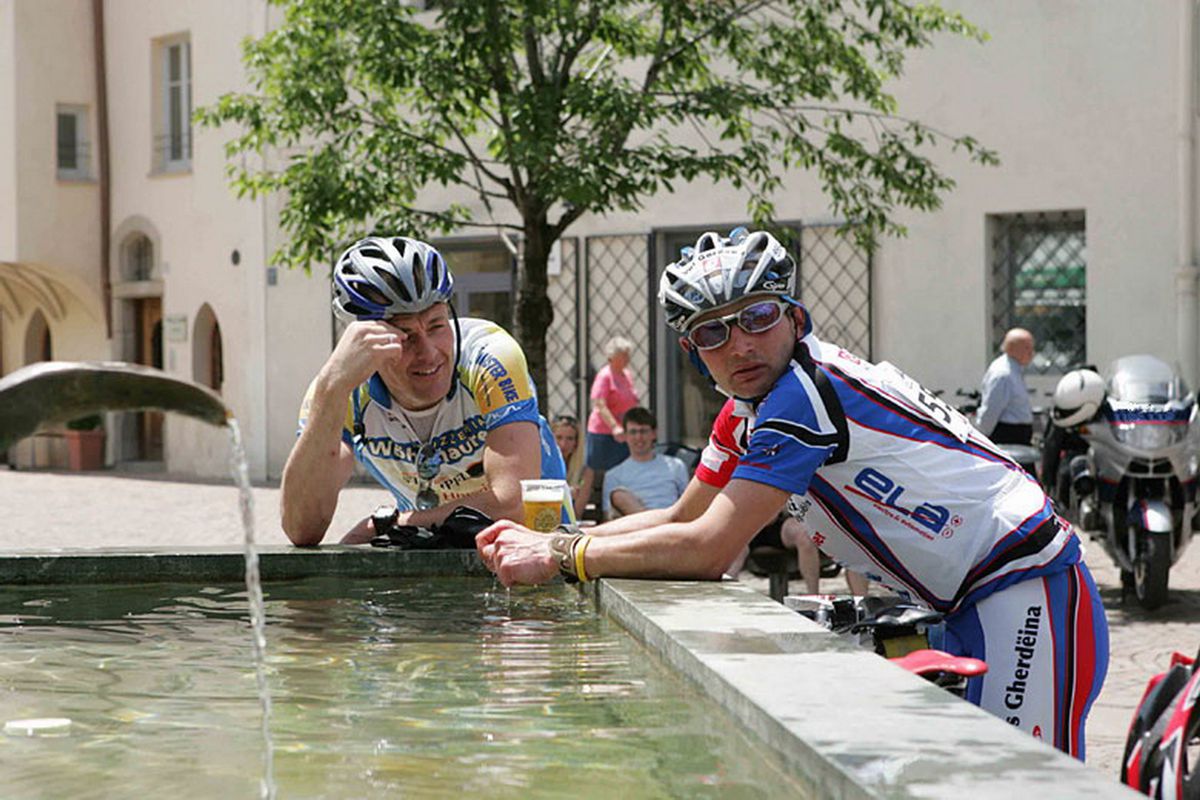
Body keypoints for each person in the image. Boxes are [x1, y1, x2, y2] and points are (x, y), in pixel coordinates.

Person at [478, 228, 1108, 760]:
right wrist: (550, 539)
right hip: (965, 597)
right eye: (713, 333)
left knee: (1019, 785)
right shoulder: (746, 408)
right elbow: (679, 514)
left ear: (794, 318)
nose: (741, 344)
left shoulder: (799, 396)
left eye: (757, 317)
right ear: (692, 352)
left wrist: (563, 554)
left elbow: (708, 549)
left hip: (1024, 583)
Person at [280, 235, 566, 545]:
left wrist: (391, 524)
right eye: (405, 336)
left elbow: (511, 504)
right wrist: (331, 387)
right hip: (428, 545)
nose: (428, 352)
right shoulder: (343, 388)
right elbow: (302, 528)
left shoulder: (490, 357)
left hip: (533, 546)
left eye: (437, 326)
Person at [602, 407, 689, 518]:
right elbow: (608, 518)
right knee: (619, 496)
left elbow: (688, 505)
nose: (639, 437)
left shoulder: (676, 466)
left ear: (653, 434)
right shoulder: (613, 475)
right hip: (635, 529)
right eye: (633, 432)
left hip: (671, 525)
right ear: (625, 436)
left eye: (643, 431)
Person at [586, 335, 639, 477]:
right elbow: (600, 404)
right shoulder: (605, 376)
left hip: (624, 432)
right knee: (601, 473)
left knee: (622, 471)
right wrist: (614, 426)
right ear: (612, 357)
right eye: (624, 356)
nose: (627, 359)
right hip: (604, 433)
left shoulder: (626, 374)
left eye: (628, 355)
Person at [975, 328, 1036, 445]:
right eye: (1027, 348)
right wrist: (982, 437)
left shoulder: (1014, 369)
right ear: (1012, 348)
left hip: (1017, 435)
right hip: (1007, 436)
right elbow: (991, 410)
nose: (1032, 352)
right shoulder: (1003, 374)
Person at [551, 413, 589, 518]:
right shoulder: (542, 465)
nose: (563, 444)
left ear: (576, 442)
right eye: (558, 438)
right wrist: (567, 493)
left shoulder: (585, 471)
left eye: (570, 439)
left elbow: (576, 514)